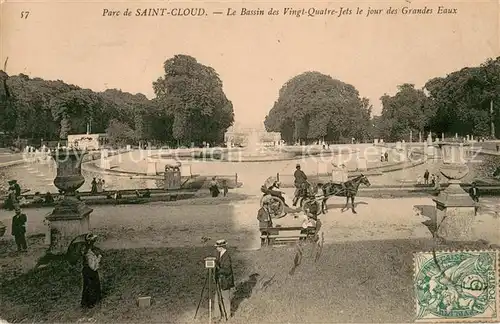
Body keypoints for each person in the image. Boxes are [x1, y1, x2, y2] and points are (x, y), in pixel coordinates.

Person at [214, 239, 235, 320]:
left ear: (221, 247)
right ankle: (217, 316)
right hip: (219, 279)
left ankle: (227, 315)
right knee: (217, 298)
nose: (216, 248)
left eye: (217, 247)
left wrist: (218, 269)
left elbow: (227, 270)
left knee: (225, 298)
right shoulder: (219, 254)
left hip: (225, 280)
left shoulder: (226, 256)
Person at [81, 233, 102, 309]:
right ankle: (90, 303)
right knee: (90, 286)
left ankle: (90, 301)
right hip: (89, 271)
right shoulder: (88, 253)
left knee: (91, 285)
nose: (93, 243)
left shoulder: (89, 251)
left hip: (88, 270)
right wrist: (98, 258)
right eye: (92, 242)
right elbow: (93, 266)